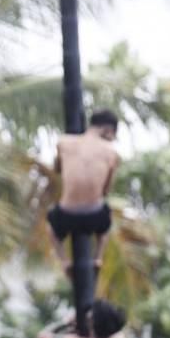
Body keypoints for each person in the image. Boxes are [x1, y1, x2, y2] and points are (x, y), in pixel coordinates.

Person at [49, 110, 120, 273]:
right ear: (108, 131)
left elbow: (57, 169)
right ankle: (98, 257)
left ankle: (64, 261)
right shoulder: (111, 153)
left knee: (51, 228)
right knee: (106, 220)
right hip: (94, 215)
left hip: (66, 213)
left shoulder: (64, 143)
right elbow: (106, 190)